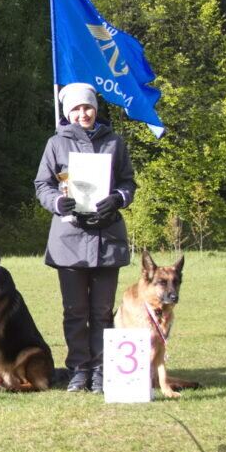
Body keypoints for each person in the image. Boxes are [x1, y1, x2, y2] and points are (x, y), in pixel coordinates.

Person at [34, 82, 136, 394]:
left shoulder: (115, 142)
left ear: (95, 108)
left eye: (87, 107)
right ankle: (79, 370)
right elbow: (42, 184)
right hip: (70, 240)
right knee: (75, 312)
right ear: (68, 113)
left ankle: (103, 371)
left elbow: (128, 182)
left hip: (108, 240)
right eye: (76, 109)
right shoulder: (56, 143)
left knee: (102, 312)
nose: (83, 113)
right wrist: (57, 202)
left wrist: (118, 198)